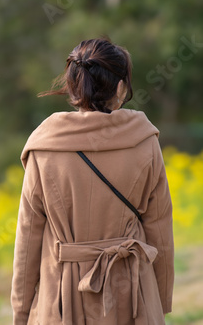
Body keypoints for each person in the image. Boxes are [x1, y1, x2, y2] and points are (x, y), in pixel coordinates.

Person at [11, 38, 174, 325]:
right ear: (121, 87)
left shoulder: (44, 147)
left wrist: (21, 312)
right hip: (133, 295)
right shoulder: (145, 142)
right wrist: (159, 301)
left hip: (63, 298)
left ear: (73, 86)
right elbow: (159, 229)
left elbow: (28, 240)